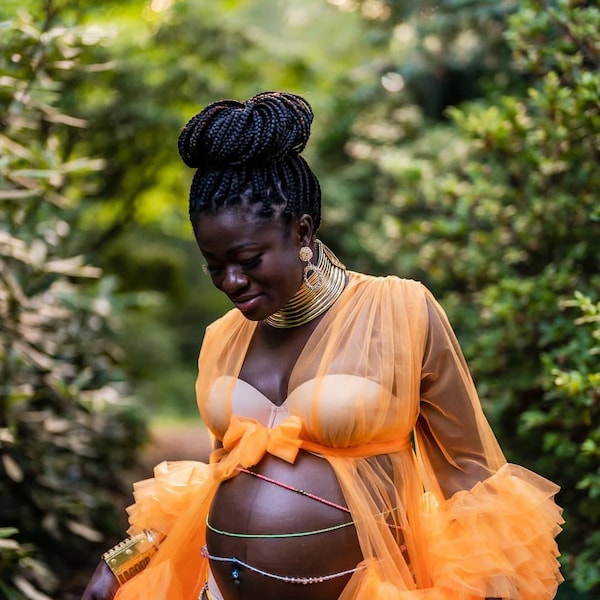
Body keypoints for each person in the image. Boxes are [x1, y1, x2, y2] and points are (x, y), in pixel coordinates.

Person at [82, 91, 563, 600]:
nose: (230, 281)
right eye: (214, 264)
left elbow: (469, 469)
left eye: (248, 260)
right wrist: (122, 563)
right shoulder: (223, 337)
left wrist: (492, 586)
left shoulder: (398, 310)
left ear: (303, 232)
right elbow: (210, 479)